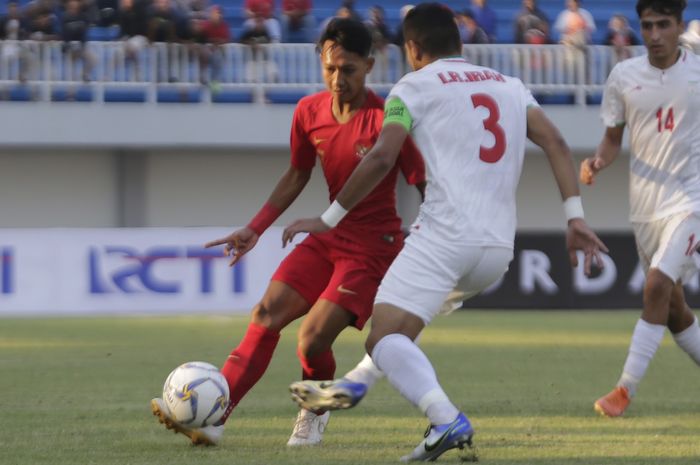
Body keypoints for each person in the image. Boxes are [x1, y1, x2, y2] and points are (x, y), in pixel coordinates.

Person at [284, 3, 607, 461]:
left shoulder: (411, 87)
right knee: (399, 330)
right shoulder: (508, 85)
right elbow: (555, 141)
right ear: (459, 43)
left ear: (412, 48)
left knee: (383, 336)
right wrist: (574, 216)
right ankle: (355, 384)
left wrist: (328, 217)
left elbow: (379, 157)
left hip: (444, 237)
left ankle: (444, 418)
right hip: (496, 250)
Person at [151, 17, 426, 447]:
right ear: (321, 62)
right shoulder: (308, 112)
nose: (338, 79)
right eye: (331, 69)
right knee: (265, 316)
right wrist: (255, 227)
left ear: (370, 66)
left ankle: (315, 413)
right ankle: (212, 417)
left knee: (312, 340)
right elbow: (298, 174)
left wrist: (436, 242)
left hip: (374, 249)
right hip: (327, 238)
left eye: (349, 70)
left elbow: (424, 182)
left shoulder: (387, 121)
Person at [581, 0, 700, 418]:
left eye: (663, 25)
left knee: (654, 285)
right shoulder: (624, 76)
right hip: (645, 208)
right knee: (672, 309)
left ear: (679, 26)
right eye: (647, 25)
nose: (653, 35)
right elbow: (613, 138)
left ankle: (623, 390)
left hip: (691, 202)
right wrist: (597, 161)